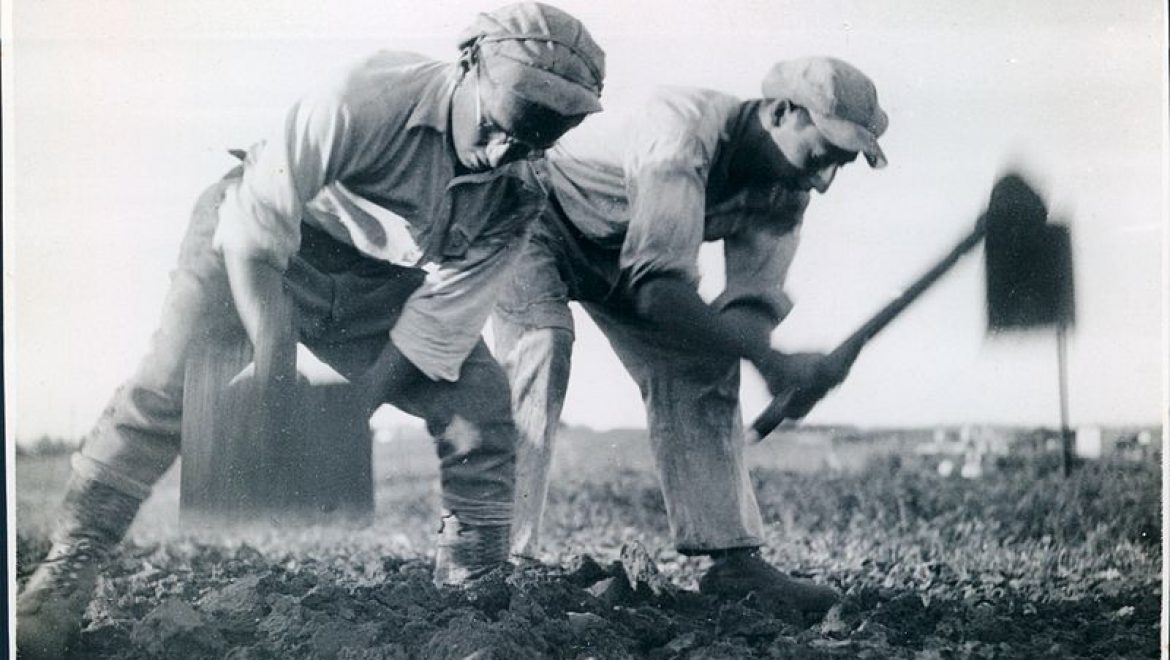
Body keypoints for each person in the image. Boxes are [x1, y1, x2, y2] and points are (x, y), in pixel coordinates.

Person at [16, 3, 604, 657]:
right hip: (261, 242)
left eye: (534, 142)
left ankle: (473, 587)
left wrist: (351, 411)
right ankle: (69, 565)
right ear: (469, 65)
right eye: (499, 125)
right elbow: (262, 214)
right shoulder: (370, 92)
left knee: (479, 405)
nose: (503, 153)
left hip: (377, 282)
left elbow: (442, 317)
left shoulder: (522, 190)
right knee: (172, 384)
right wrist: (272, 350)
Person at [492, 57, 887, 620]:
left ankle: (732, 562)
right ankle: (491, 559)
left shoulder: (785, 191)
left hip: (628, 252)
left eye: (840, 166)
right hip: (537, 209)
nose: (822, 180)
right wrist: (773, 364)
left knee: (704, 362)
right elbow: (658, 292)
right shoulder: (681, 127)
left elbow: (747, 315)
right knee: (540, 345)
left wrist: (776, 364)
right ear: (780, 112)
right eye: (823, 153)